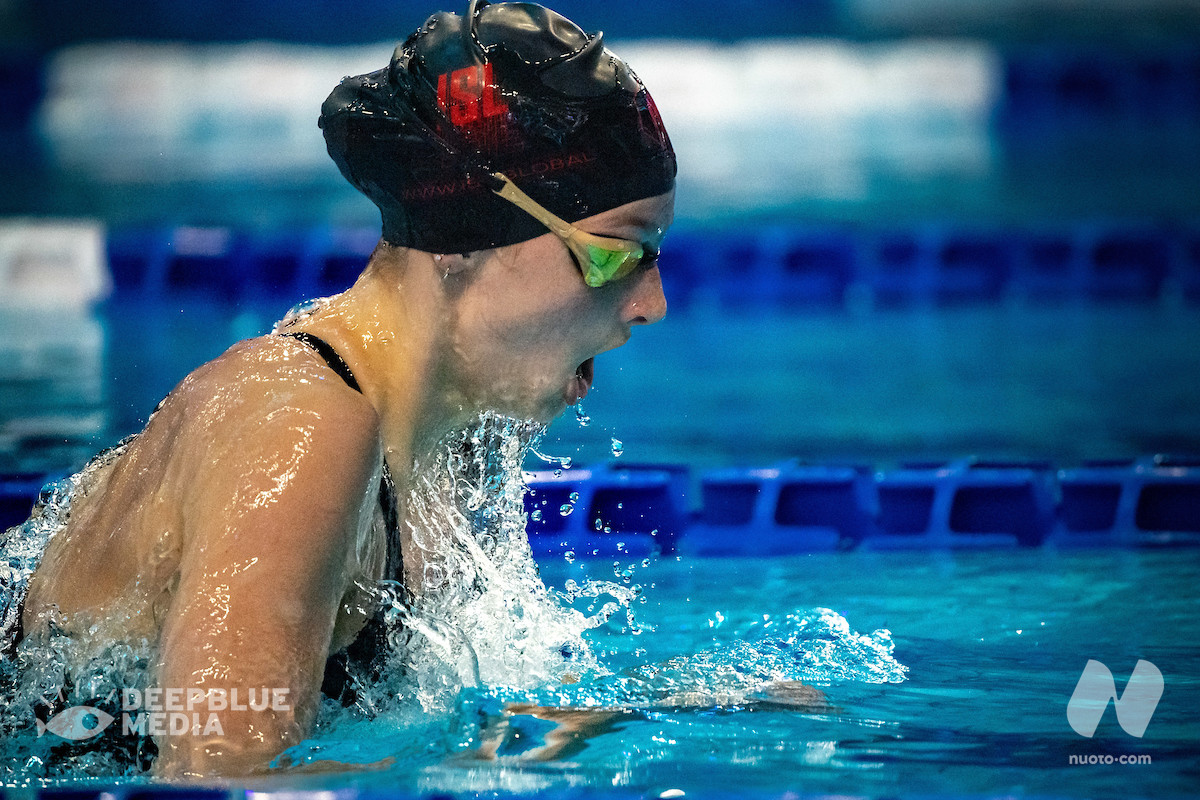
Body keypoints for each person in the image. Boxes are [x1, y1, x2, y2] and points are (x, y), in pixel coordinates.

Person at [2, 0, 675, 778]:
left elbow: (434, 720)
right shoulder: (300, 425)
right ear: (465, 237)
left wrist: (683, 714)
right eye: (617, 255)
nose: (651, 303)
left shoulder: (452, 439)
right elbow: (217, 777)